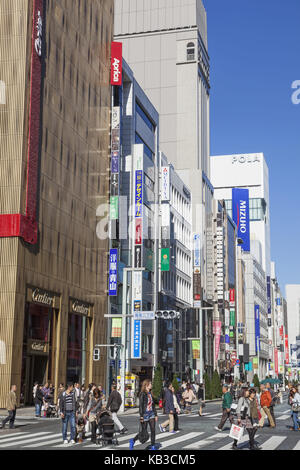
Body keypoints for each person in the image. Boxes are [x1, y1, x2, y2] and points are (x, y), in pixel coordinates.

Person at [129, 379, 158, 450]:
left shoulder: (150, 393)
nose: (151, 385)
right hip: (145, 415)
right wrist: (141, 416)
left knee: (153, 430)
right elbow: (141, 406)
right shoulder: (142, 394)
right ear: (146, 385)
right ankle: (133, 440)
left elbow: (153, 405)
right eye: (150, 384)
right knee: (143, 432)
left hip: (151, 414)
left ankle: (153, 446)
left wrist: (156, 414)